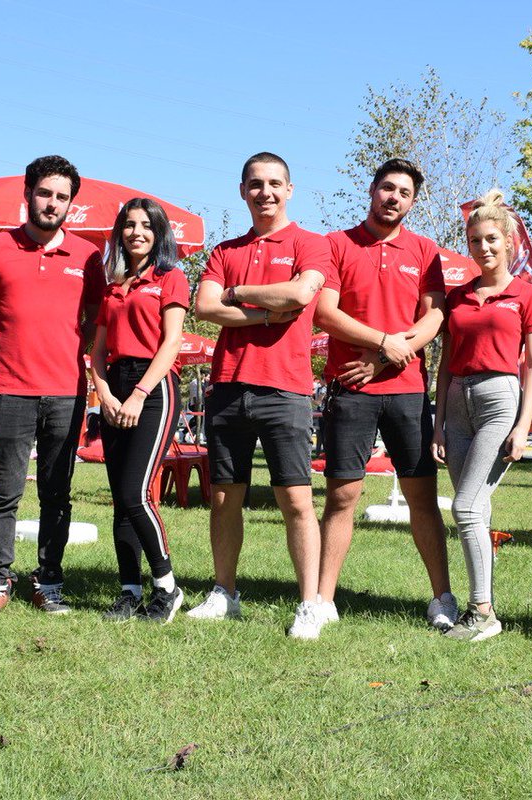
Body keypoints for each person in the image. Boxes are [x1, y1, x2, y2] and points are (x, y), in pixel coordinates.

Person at [189, 152, 330, 638]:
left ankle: (309, 604)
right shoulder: (224, 249)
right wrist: (265, 313)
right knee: (225, 499)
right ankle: (224, 593)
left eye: (274, 183)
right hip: (228, 386)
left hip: (286, 390)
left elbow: (300, 296)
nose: (264, 192)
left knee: (296, 501)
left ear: (289, 189)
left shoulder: (311, 244)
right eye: (255, 184)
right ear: (242, 190)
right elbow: (204, 305)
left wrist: (237, 291)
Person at [314, 158, 456, 632]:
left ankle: (442, 598)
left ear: (412, 201)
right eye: (387, 188)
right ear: (372, 190)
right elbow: (325, 314)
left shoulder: (425, 249)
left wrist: (386, 354)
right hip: (350, 390)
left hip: (407, 392)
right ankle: (321, 601)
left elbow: (433, 318)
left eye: (405, 193)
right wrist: (383, 340)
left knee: (422, 497)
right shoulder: (336, 244)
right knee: (342, 496)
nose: (394, 197)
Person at [0, 155, 106, 615]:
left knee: (57, 491)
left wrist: (72, 350)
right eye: (45, 193)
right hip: (9, 387)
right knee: (3, 489)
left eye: (62, 197)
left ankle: (49, 578)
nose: (52, 203)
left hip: (67, 391)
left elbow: (96, 321)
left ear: (71, 203)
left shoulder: (90, 256)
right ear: (27, 194)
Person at [430, 189, 532, 641]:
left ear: (510, 242)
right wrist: (439, 423)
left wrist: (524, 425)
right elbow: (445, 364)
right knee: (475, 508)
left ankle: (483, 613)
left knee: (463, 506)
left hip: (501, 398)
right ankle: (480, 605)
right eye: (476, 240)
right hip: (458, 401)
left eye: (492, 239)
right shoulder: (458, 298)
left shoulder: (528, 296)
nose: (484, 247)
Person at [90, 198, 189, 623]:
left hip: (155, 388)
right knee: (120, 500)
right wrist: (105, 394)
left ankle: (167, 587)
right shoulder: (112, 284)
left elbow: (171, 343)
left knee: (137, 493)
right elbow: (96, 350)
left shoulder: (171, 278)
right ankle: (129, 590)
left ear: (159, 232)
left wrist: (138, 394)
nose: (136, 233)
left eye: (146, 226)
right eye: (128, 225)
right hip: (115, 384)